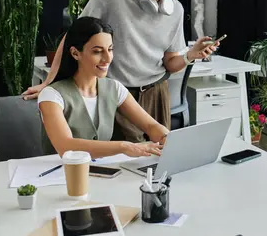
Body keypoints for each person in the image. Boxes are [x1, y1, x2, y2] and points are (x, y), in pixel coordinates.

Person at [24, 0, 220, 141]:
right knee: (120, 163)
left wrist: (190, 55)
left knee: (158, 158)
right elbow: (73, 36)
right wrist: (49, 82)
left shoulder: (176, 11)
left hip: (156, 93)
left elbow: (170, 63)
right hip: (118, 95)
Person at [38, 17, 169, 158]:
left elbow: (151, 126)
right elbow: (66, 146)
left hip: (102, 172)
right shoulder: (51, 95)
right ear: (75, 53)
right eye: (97, 51)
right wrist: (124, 146)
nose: (107, 58)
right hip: (60, 174)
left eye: (110, 49)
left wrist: (166, 137)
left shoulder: (114, 88)